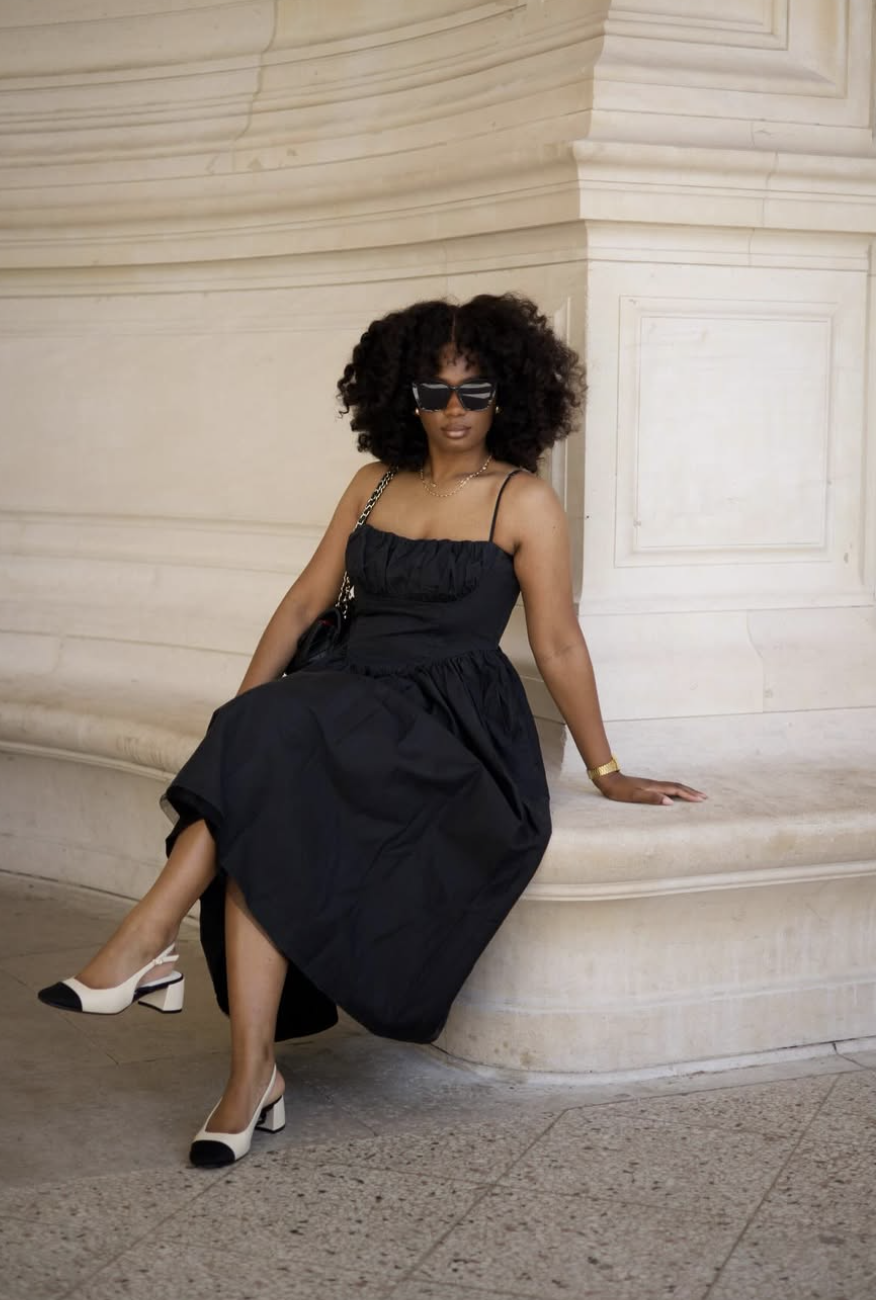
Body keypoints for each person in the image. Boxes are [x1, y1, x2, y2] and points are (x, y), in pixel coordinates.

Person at [38, 292, 706, 1167]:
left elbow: (557, 641)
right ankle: (247, 1078)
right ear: (405, 395)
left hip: (451, 724)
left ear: (509, 395)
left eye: (475, 392)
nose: (455, 411)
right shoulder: (374, 482)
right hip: (346, 699)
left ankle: (146, 947)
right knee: (265, 785)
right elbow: (307, 601)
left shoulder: (523, 500)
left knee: (275, 754)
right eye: (436, 392)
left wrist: (607, 767)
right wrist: (241, 718)